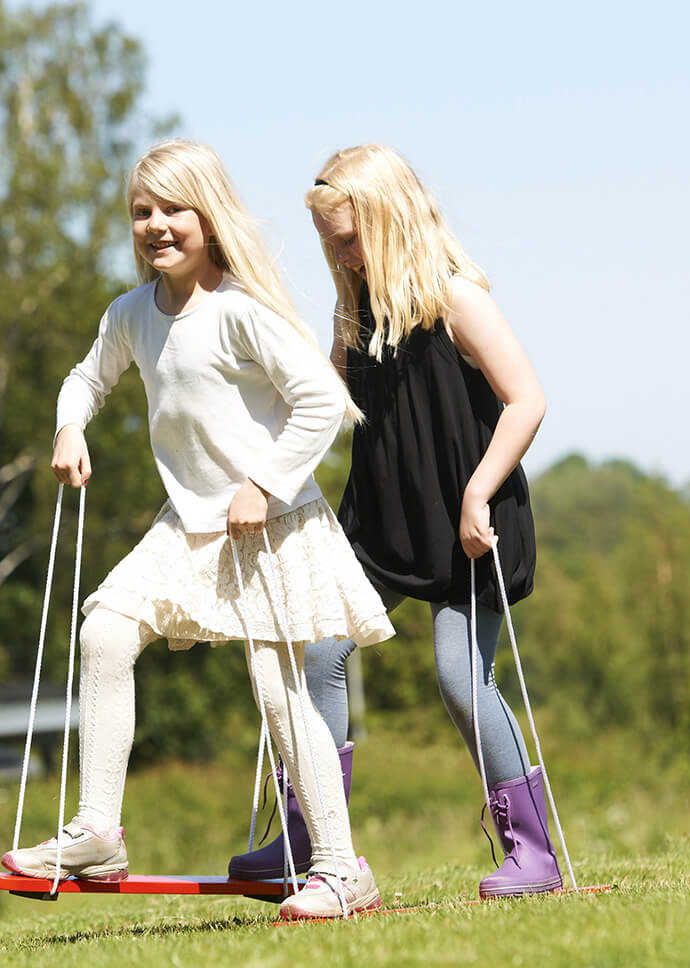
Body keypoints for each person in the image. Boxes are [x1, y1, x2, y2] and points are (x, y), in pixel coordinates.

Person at [1, 140, 395, 920]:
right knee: (105, 633)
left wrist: (264, 481)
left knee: (281, 695)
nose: (156, 225)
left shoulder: (240, 312)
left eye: (173, 209)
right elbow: (86, 378)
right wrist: (69, 426)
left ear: (208, 218)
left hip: (270, 525)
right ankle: (98, 833)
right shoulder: (130, 314)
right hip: (186, 527)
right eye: (141, 212)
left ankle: (344, 871)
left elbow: (325, 399)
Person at [229, 144, 561, 898]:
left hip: (468, 513)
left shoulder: (456, 296)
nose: (338, 253)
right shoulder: (354, 308)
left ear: (387, 219)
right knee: (319, 655)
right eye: (328, 242)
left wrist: (479, 493)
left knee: (458, 676)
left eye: (348, 237)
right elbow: (323, 401)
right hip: (381, 521)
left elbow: (527, 398)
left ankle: (533, 852)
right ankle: (313, 841)